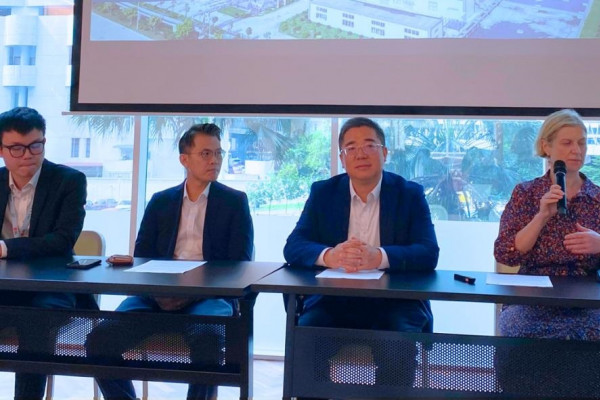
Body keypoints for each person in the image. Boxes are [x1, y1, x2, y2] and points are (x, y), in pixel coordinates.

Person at [85, 123, 254, 400]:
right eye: (206, 154)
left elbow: (239, 264)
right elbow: (142, 256)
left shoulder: (234, 202)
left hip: (209, 296)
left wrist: (189, 293)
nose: (214, 160)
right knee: (99, 339)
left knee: (208, 340)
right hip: (157, 295)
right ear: (184, 159)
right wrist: (159, 292)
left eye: (218, 153)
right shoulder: (161, 201)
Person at [283, 117, 439, 390]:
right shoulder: (323, 192)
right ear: (342, 158)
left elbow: (428, 252)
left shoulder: (409, 194)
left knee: (397, 348)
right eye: (351, 148)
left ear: (385, 153)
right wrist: (330, 256)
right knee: (306, 338)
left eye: (369, 145)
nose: (360, 154)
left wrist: (379, 257)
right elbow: (294, 245)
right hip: (334, 300)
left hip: (394, 302)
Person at [494, 109, 600, 396]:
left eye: (582, 142)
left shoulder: (597, 198)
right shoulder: (526, 193)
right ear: (546, 147)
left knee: (587, 337)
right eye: (567, 143)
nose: (577, 150)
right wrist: (541, 217)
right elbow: (505, 253)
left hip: (586, 302)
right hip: (533, 299)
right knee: (518, 330)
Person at [0, 106, 89, 400]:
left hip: (51, 286)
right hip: (5, 287)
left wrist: (5, 248)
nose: (27, 154)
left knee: (35, 324)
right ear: (1, 150)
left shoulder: (69, 181)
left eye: (35, 145)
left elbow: (62, 240)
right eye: (17, 148)